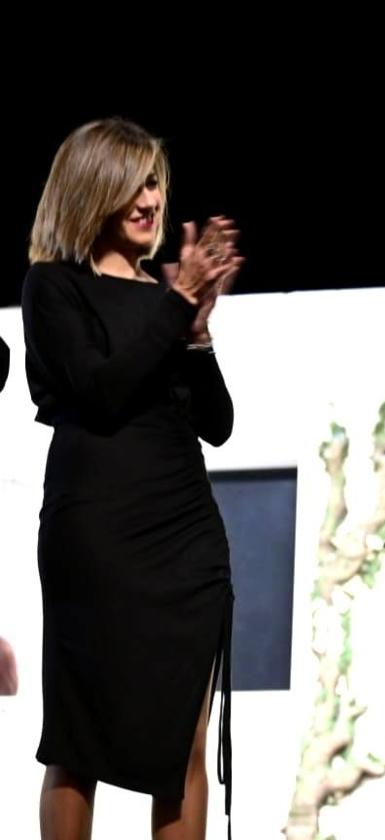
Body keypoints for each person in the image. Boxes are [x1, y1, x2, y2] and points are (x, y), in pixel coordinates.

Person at [23, 117, 242, 840]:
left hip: (185, 536)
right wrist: (177, 306)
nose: (150, 199)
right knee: (78, 740)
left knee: (184, 736)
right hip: (99, 534)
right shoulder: (55, 288)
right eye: (134, 183)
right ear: (94, 190)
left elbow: (216, 423)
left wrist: (199, 328)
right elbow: (103, 390)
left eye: (155, 182)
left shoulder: (166, 296)